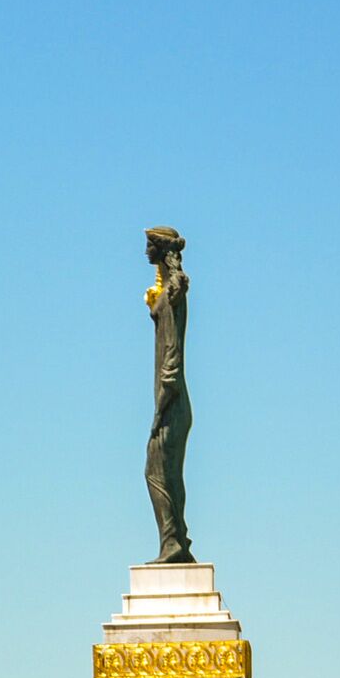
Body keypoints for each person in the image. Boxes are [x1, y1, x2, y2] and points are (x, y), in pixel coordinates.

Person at [143, 226, 193, 564]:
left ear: (160, 250)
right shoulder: (168, 292)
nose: (144, 251)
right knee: (167, 473)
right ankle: (176, 541)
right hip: (171, 399)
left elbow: (171, 360)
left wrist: (159, 410)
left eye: (148, 245)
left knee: (156, 471)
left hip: (171, 400)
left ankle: (173, 542)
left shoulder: (173, 295)